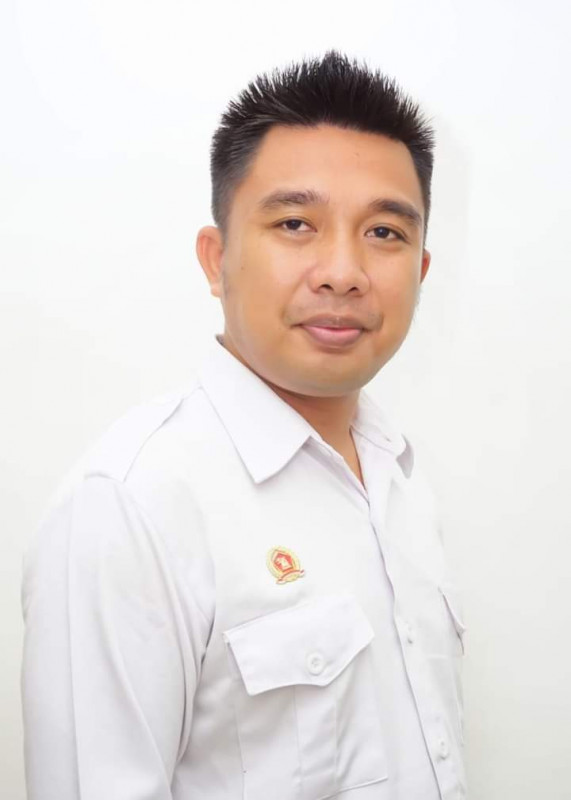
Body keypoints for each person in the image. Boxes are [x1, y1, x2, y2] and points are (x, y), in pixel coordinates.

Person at [20, 49, 467, 800]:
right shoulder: (130, 506)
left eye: (385, 233)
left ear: (420, 272)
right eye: (295, 223)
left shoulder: (399, 478)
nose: (343, 272)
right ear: (215, 258)